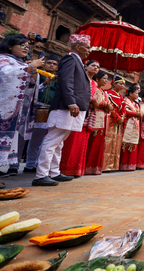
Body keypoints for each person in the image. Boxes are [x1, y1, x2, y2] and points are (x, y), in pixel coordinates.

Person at [0, 34, 44, 189]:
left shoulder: (17, 62)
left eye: (27, 47)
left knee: (0, 144)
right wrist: (29, 66)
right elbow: (6, 73)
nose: (25, 48)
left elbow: (24, 83)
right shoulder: (1, 58)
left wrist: (31, 73)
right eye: (22, 45)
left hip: (9, 111)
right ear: (9, 46)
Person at [33, 34, 91, 186]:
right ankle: (41, 175)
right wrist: (71, 102)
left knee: (59, 142)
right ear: (78, 47)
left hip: (71, 107)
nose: (89, 51)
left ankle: (54, 172)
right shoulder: (70, 59)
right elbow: (66, 81)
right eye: (87, 48)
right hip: (66, 107)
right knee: (53, 140)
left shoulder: (77, 61)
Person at [59, 60, 99, 177]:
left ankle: (76, 170)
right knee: (70, 140)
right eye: (93, 65)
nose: (95, 68)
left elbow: (95, 101)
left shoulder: (94, 84)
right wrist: (91, 100)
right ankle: (64, 169)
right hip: (75, 111)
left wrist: (93, 101)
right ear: (85, 67)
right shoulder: (80, 78)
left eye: (97, 66)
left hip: (87, 114)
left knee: (81, 143)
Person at [24, 54, 59, 173]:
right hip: (35, 107)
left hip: (50, 111)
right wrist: (44, 84)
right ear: (44, 64)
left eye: (55, 64)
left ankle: (39, 164)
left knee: (46, 140)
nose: (52, 65)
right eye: (49, 63)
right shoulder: (37, 74)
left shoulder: (58, 79)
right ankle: (29, 165)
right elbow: (30, 90)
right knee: (34, 138)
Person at [84, 70, 112, 175]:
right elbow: (94, 102)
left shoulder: (104, 92)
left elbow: (109, 107)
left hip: (103, 120)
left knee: (99, 144)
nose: (106, 81)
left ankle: (95, 168)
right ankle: (87, 167)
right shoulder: (94, 89)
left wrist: (106, 105)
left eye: (107, 78)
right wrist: (104, 104)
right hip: (94, 118)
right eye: (104, 78)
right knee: (92, 142)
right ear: (97, 79)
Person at [103, 77, 126, 171]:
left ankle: (112, 166)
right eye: (120, 83)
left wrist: (123, 117)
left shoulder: (120, 96)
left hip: (118, 122)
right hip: (111, 121)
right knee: (108, 143)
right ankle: (105, 165)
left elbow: (123, 109)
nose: (122, 86)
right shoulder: (108, 93)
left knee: (115, 143)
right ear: (114, 84)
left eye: (123, 84)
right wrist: (117, 117)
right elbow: (111, 107)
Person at [119, 86, 141, 171]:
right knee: (126, 144)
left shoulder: (136, 103)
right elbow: (125, 111)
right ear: (130, 93)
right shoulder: (125, 100)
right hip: (127, 124)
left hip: (135, 125)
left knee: (133, 144)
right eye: (136, 93)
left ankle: (131, 165)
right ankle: (123, 165)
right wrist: (136, 114)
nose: (137, 95)